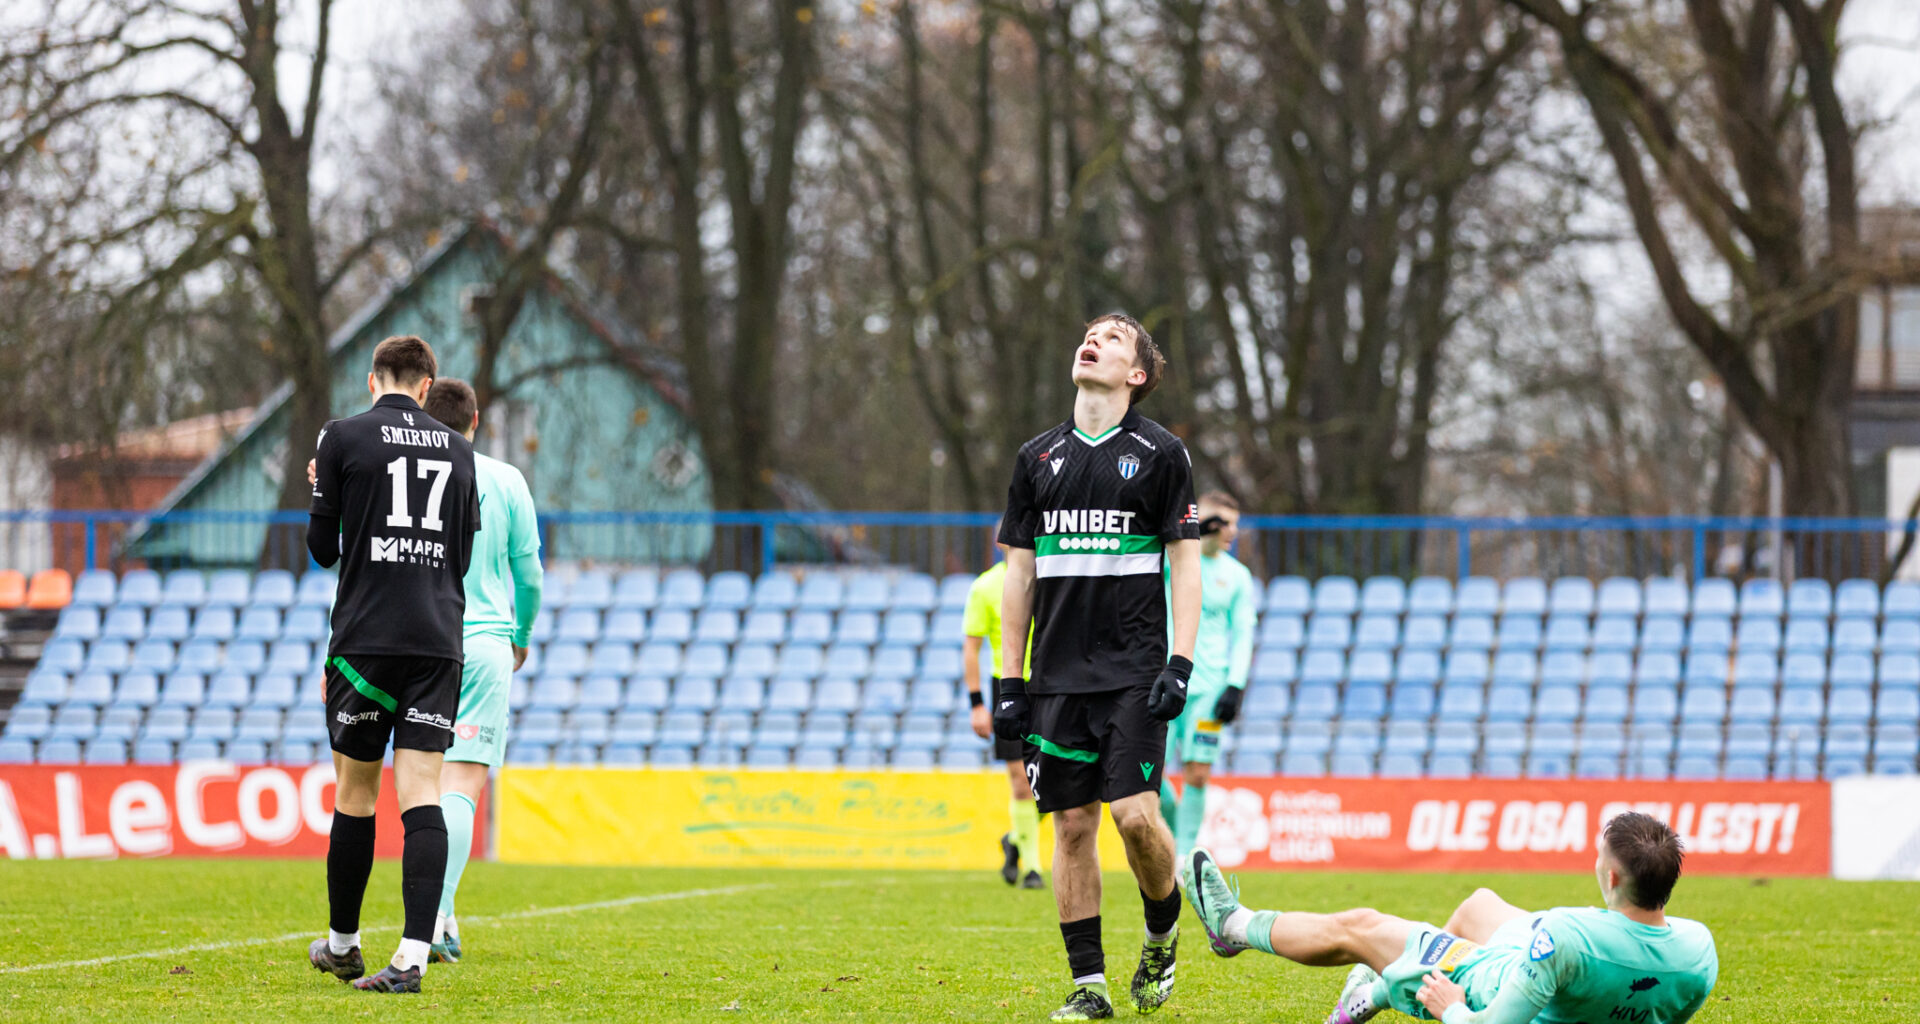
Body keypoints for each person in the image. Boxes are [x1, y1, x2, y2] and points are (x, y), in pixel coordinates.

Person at [993, 312, 1203, 1020]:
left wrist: (1180, 663)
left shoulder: (1162, 453)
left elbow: (1186, 567)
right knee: (1073, 828)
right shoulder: (1035, 458)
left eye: (1114, 338)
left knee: (1136, 818)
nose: (1093, 340)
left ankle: (1162, 933)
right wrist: (1010, 679)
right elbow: (1018, 575)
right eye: (1090, 333)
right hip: (1055, 679)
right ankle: (1091, 987)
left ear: (1136, 375)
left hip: (1133, 673)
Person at [304, 336, 481, 994]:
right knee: (422, 792)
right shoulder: (460, 450)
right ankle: (410, 957)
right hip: (438, 639)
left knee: (356, 793)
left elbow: (322, 549)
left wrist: (329, 489)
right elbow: (461, 556)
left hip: (367, 640)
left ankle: (344, 946)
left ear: (372, 379)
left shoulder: (342, 436)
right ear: (427, 384)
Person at [1181, 812, 1719, 1024]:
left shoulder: (1567, 937)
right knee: (1479, 903)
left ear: (1613, 877)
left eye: (1600, 858)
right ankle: (1380, 987)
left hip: (1489, 984)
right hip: (1551, 969)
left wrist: (1453, 1007)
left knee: (1360, 927)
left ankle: (1233, 928)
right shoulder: (1698, 952)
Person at [418, 378, 543, 962]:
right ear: (475, 423)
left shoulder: (408, 477)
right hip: (484, 642)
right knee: (462, 785)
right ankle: (435, 916)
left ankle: (437, 916)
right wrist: (522, 636)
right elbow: (530, 576)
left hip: (419, 641)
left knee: (421, 783)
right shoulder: (506, 479)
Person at [1158, 491, 1255, 862]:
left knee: (1197, 774)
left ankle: (1183, 858)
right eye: (1223, 522)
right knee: (1149, 774)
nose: (1231, 531)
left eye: (1235, 524)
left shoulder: (1237, 576)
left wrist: (1235, 684)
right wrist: (1193, 531)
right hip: (1164, 682)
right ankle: (1172, 836)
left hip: (1211, 689)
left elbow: (1243, 632)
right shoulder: (1175, 560)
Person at [962, 538, 1042, 889]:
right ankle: (1034, 869)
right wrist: (977, 703)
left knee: (1058, 782)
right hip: (1007, 686)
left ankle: (1015, 838)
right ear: (1000, 543)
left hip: (1050, 686)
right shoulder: (985, 587)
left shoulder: (1049, 580)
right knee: (1021, 781)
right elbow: (971, 647)